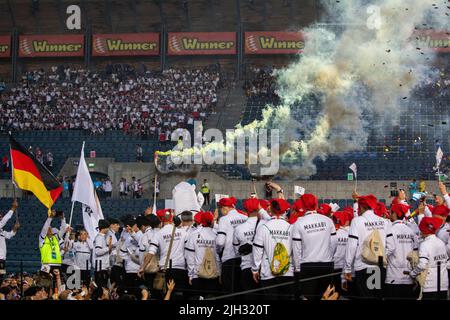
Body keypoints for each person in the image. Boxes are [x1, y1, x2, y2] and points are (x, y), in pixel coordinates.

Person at [343, 194, 393, 299]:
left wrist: (347, 269)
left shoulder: (357, 221)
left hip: (363, 266)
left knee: (365, 297)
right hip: (379, 265)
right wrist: (380, 255)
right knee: (378, 297)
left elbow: (351, 246)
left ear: (361, 207)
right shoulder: (385, 221)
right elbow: (392, 246)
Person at [292, 194, 337, 300]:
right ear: (316, 205)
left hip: (307, 265)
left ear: (303, 205)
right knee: (326, 297)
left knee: (309, 297)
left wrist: (298, 268)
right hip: (326, 264)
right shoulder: (328, 221)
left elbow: (296, 248)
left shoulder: (298, 223)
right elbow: (334, 243)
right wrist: (329, 256)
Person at [252, 198, 294, 299]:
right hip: (288, 273)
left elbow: (257, 250)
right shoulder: (292, 228)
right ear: (285, 211)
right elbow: (297, 251)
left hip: (268, 274)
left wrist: (255, 270)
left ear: (271, 210)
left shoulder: (263, 227)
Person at [146, 210, 188, 299]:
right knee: (180, 296)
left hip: (165, 270)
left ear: (161, 220)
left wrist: (143, 267)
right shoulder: (183, 232)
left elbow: (151, 252)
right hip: (180, 269)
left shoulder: (158, 234)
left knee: (167, 296)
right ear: (172, 219)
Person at [384, 203, 419, 299]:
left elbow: (389, 249)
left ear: (394, 214)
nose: (390, 214)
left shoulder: (390, 230)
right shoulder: (411, 232)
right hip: (409, 278)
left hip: (393, 277)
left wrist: (378, 258)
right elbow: (416, 253)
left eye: (390, 212)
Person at [409, 217, 449, 300]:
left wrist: (413, 274)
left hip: (429, 286)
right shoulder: (441, 242)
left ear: (424, 230)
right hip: (443, 285)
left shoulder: (425, 244)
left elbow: (422, 265)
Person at [185, 211, 221, 299]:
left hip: (197, 274)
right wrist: (220, 273)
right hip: (213, 274)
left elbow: (190, 257)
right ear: (212, 221)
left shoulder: (193, 235)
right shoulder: (216, 235)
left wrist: (191, 275)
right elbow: (218, 257)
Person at [216, 197, 248, 296]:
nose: (221, 211)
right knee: (241, 290)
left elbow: (220, 242)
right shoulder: (245, 218)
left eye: (221, 209)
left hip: (229, 258)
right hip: (244, 259)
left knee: (229, 291)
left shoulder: (224, 219)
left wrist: (218, 251)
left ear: (225, 208)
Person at [233, 198, 260, 299]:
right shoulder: (265, 225)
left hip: (246, 267)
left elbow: (237, 251)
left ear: (245, 210)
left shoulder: (239, 228)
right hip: (263, 268)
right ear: (258, 208)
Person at [0, 200, 20, 279]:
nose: (1, 218)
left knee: (1, 276)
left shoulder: (1, 231)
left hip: (2, 259)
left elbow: (9, 235)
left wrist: (14, 229)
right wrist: (13, 208)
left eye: (1, 216)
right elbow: (3, 222)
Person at [94, 219, 113, 288]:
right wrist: (108, 248)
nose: (108, 229)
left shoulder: (102, 237)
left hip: (103, 267)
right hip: (100, 267)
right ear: (104, 228)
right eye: (108, 228)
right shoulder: (99, 238)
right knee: (101, 288)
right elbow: (98, 251)